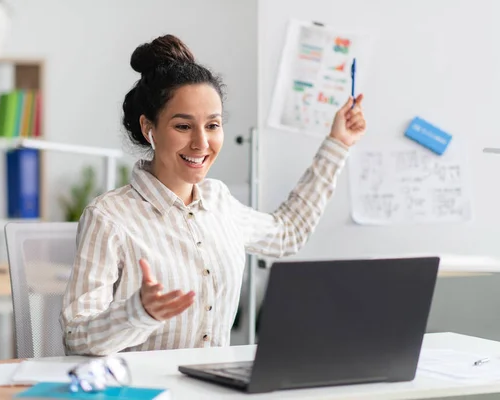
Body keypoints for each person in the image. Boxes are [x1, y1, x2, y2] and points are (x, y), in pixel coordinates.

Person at [60, 34, 366, 356]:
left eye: (213, 125)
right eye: (183, 126)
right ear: (150, 128)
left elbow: (287, 234)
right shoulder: (109, 217)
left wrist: (338, 144)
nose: (201, 143)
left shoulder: (219, 201)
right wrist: (137, 313)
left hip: (213, 386)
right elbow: (76, 336)